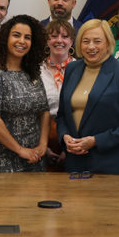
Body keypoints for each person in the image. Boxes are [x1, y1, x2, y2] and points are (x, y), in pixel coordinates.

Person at [57, 19, 119, 174]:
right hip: (74, 162)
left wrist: (95, 141)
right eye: (86, 41)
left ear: (108, 43)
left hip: (107, 163)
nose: (91, 47)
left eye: (97, 41)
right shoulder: (72, 68)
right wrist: (64, 137)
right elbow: (62, 114)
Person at [0, 15, 50, 172]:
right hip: (3, 161)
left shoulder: (33, 73)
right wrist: (20, 150)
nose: (22, 41)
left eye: (27, 37)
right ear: (5, 39)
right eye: (16, 35)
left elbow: (44, 111)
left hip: (35, 158)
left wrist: (43, 145)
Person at [40, 19, 77, 169]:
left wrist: (69, 149)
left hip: (75, 138)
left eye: (65, 36)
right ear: (47, 40)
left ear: (72, 41)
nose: (59, 40)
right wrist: (43, 147)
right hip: (42, 137)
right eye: (54, 36)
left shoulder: (82, 70)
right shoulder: (35, 70)